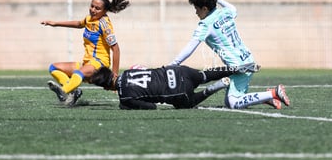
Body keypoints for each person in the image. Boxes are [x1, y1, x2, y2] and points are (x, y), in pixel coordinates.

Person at [170, 0, 290, 109]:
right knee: (230, 101)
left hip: (238, 66)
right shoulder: (227, 12)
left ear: (204, 8)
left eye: (197, 8)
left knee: (233, 103)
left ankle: (274, 93)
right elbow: (233, 8)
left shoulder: (206, 24)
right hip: (247, 58)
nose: (196, 12)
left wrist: (173, 64)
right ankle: (268, 97)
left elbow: (190, 47)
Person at [41, 0, 130, 106]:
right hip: (87, 63)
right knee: (54, 68)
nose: (93, 10)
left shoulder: (104, 25)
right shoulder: (89, 19)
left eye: (97, 8)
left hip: (99, 63)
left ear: (104, 11)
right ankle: (74, 91)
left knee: (78, 73)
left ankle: (64, 91)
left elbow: (116, 49)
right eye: (92, 6)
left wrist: (114, 74)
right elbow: (78, 24)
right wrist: (55, 23)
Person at [90, 64, 234, 110]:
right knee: (203, 76)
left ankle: (211, 89)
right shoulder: (128, 71)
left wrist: (126, 105)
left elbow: (152, 107)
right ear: (112, 73)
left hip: (177, 91)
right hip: (178, 71)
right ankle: (236, 68)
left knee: (187, 104)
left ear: (106, 87)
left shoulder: (125, 97)